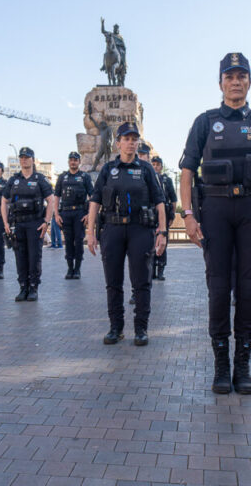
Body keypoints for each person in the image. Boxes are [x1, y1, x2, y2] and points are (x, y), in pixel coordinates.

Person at [179, 52, 251, 395]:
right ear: (221, 82)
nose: (236, 81)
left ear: (250, 81)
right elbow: (185, 172)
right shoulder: (205, 122)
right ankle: (221, 365)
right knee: (218, 287)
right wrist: (188, 215)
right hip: (215, 209)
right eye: (230, 76)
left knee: (248, 288)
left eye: (242, 75)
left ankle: (243, 365)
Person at [87, 122, 167, 346]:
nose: (131, 143)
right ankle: (116, 328)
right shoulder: (107, 169)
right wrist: (90, 233)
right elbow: (94, 201)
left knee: (141, 282)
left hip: (139, 230)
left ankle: (141, 329)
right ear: (118, 142)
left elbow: (160, 201)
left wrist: (162, 232)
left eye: (134, 139)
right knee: (113, 283)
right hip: (111, 230)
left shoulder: (146, 169)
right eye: (127, 138)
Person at [1, 147, 56, 302]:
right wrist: (5, 222)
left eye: (27, 157)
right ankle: (23, 287)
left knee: (34, 256)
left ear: (33, 159)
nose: (24, 160)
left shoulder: (40, 179)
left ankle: (33, 287)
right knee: (20, 257)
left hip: (35, 223)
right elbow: (4, 201)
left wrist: (46, 221)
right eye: (22, 157)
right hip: (18, 224)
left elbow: (50, 200)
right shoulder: (13, 180)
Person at [55, 152, 93, 279]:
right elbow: (56, 196)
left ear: (79, 162)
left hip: (80, 213)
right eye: (71, 160)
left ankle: (77, 269)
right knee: (69, 242)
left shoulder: (85, 177)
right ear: (68, 162)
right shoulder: (62, 177)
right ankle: (70, 268)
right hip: (65, 213)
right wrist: (56, 214)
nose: (73, 162)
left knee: (78, 241)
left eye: (75, 160)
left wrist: (89, 214)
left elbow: (92, 197)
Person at [151, 155, 177, 281]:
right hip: (151, 215)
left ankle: (161, 270)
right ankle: (151, 271)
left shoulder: (167, 180)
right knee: (150, 242)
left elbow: (173, 199)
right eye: (153, 164)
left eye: (157, 165)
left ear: (161, 167)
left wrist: (172, 215)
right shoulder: (148, 177)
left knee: (163, 242)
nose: (155, 167)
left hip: (164, 215)